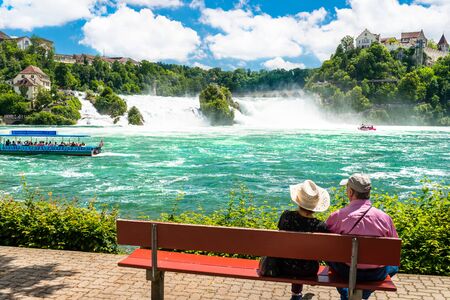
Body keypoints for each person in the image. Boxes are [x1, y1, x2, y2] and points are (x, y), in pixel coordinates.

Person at [326, 173, 398, 300]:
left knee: (333, 261)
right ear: (368, 192)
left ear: (350, 192)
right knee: (394, 266)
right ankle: (362, 294)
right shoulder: (384, 218)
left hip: (346, 272)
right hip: (375, 274)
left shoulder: (337, 216)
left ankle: (347, 294)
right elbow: (394, 247)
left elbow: (326, 243)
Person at [259, 180, 330, 300]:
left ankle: (296, 295)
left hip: (283, 267)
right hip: (309, 270)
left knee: (294, 255)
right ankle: (296, 295)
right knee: (301, 256)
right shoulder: (320, 226)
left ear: (299, 201)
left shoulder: (286, 217)